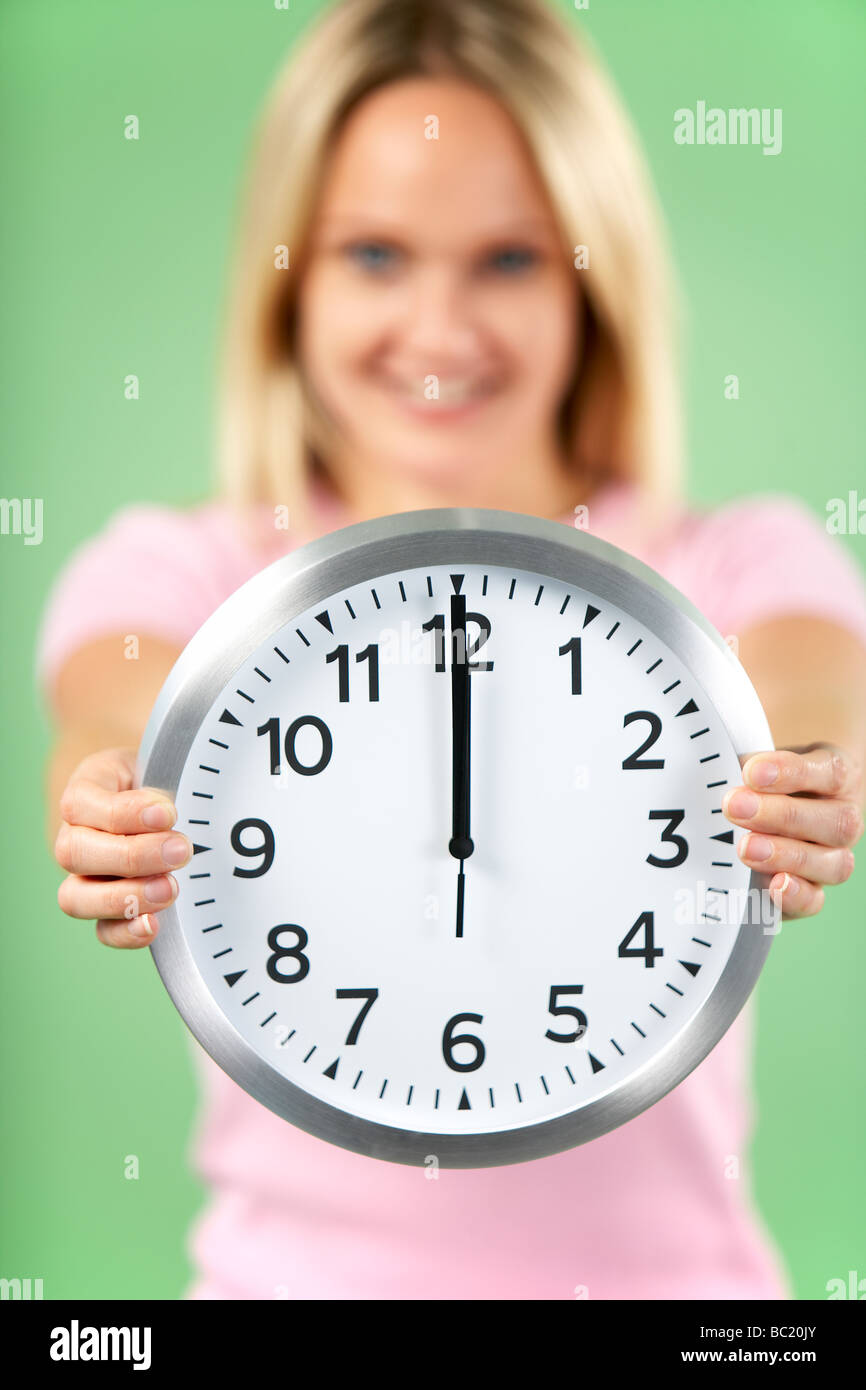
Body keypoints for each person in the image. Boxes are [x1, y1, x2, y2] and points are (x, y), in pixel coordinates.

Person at [38, 0, 866, 1300]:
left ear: (595, 279)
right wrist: (105, 807)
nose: (437, 326)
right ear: (289, 275)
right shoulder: (181, 573)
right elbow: (117, 711)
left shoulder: (731, 564)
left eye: (508, 259)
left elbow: (805, 683)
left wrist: (807, 773)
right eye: (373, 253)